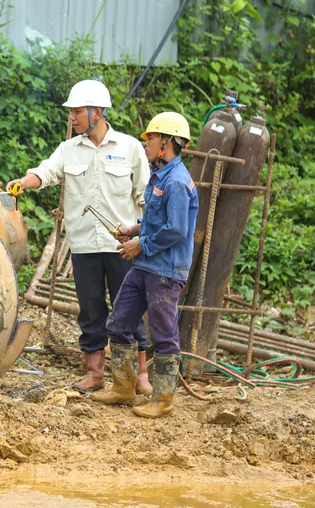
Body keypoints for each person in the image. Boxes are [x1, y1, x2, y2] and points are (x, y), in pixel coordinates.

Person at [8, 80, 152, 395]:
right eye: (71, 112)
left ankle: (141, 375)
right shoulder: (68, 150)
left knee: (128, 307)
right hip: (84, 245)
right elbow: (46, 172)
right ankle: (94, 372)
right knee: (90, 309)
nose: (72, 118)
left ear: (96, 112)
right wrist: (24, 181)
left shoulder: (129, 148)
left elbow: (146, 198)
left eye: (76, 112)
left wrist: (144, 237)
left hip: (122, 247)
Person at [92, 111, 199, 418]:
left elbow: (177, 229)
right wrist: (134, 229)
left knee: (164, 334)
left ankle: (163, 399)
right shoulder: (159, 175)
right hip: (145, 266)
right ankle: (123, 388)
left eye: (151, 138)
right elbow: (157, 220)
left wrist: (142, 243)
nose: (147, 143)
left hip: (165, 270)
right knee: (119, 322)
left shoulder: (177, 181)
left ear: (167, 142)